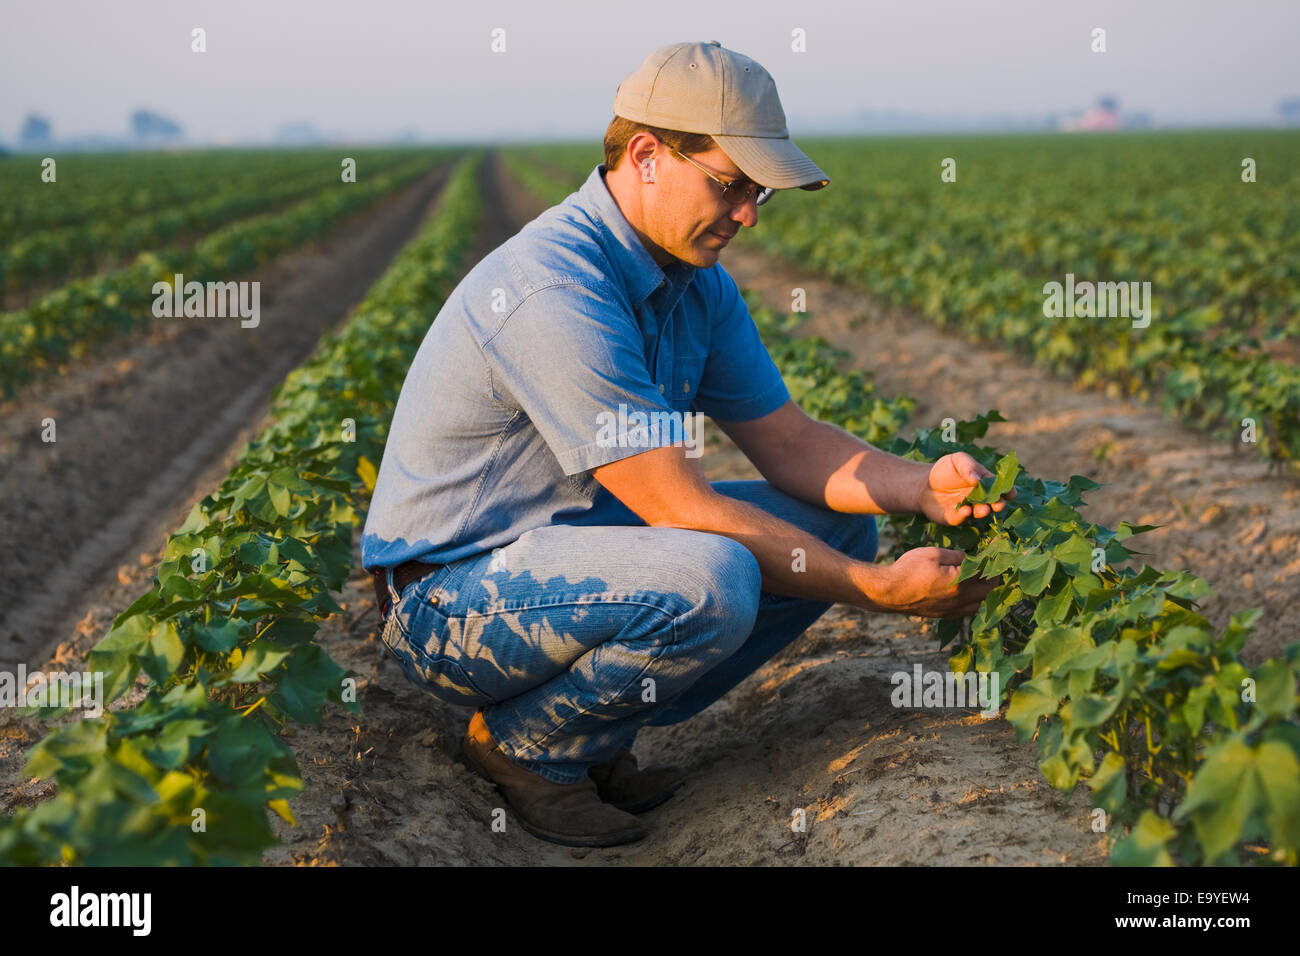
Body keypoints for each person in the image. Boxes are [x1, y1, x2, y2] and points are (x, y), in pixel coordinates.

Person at [360, 40, 1012, 848]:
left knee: (836, 528)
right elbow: (679, 505)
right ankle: (530, 748)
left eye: (759, 196)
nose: (745, 215)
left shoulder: (695, 283)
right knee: (713, 576)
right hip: (446, 599)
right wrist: (877, 589)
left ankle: (593, 735)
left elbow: (789, 440)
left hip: (565, 555)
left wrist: (922, 484)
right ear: (646, 156)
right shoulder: (557, 291)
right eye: (730, 185)